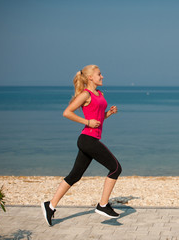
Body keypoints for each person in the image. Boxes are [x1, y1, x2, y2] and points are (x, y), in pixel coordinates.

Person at [41, 65, 122, 226]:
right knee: (116, 168)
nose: (102, 76)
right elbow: (67, 112)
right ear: (90, 77)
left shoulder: (100, 94)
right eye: (99, 74)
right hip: (88, 140)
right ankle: (103, 205)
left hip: (90, 139)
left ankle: (49, 206)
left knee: (75, 176)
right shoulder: (86, 94)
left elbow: (97, 119)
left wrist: (108, 114)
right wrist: (87, 122)